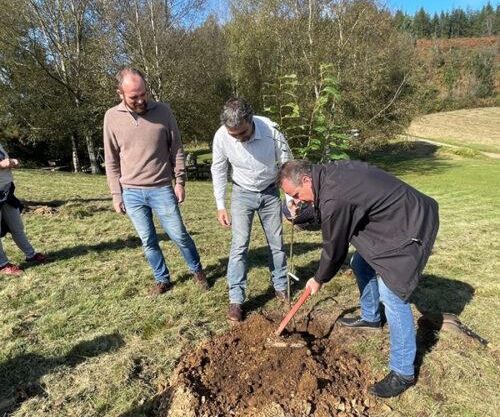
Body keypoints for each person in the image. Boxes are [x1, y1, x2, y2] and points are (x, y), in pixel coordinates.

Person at [277, 159, 439, 398]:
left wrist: (318, 278)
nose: (298, 201)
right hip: (388, 222)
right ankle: (371, 317)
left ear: (306, 180)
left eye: (297, 195)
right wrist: (299, 211)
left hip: (410, 225)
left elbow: (334, 249)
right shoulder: (326, 175)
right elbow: (326, 209)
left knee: (392, 295)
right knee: (359, 263)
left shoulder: (335, 194)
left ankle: (403, 371)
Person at [103, 68, 208, 295]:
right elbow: (111, 159)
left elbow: (177, 148)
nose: (141, 100)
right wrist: (116, 194)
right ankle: (162, 279)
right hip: (131, 192)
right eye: (134, 97)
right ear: (120, 94)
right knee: (148, 240)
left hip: (161, 188)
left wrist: (180, 181)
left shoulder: (164, 111)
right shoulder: (111, 117)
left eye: (144, 94)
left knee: (179, 234)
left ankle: (197, 270)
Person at [211, 98, 292, 322]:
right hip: (241, 193)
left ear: (251, 119)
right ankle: (236, 299)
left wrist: (290, 198)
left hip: (270, 191)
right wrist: (220, 204)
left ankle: (280, 286)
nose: (238, 138)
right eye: (233, 134)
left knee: (276, 243)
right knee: (239, 245)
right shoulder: (221, 137)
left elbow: (286, 164)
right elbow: (218, 169)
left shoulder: (271, 130)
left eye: (242, 133)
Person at [0, 143, 47, 275]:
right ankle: (2, 265)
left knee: (17, 226)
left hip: (6, 191)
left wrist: (12, 162)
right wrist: (2, 164)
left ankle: (30, 255)